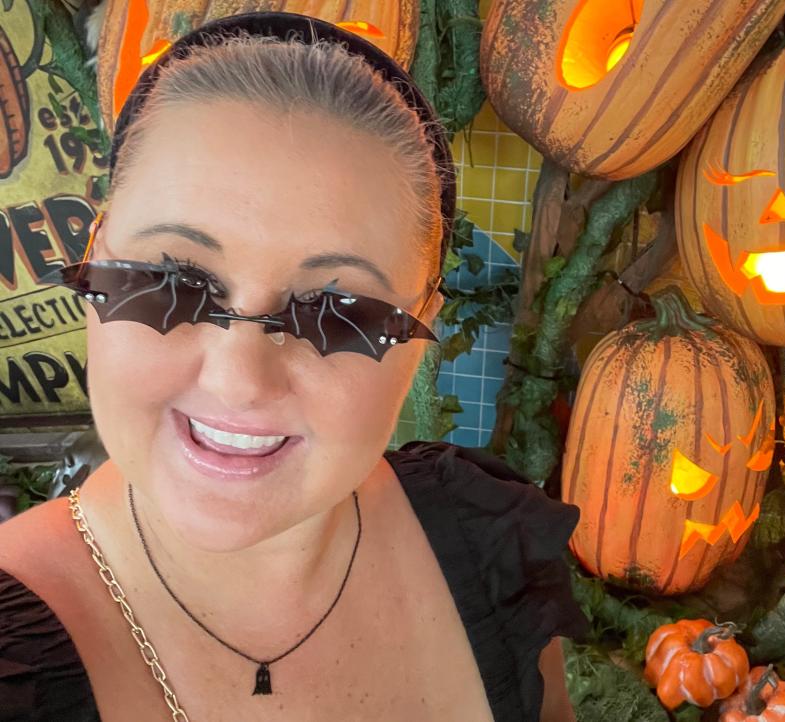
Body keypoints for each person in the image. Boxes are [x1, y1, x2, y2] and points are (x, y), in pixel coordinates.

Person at [0, 13, 588, 722]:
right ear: (98, 249)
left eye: (336, 309)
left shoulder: (491, 548)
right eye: (175, 279)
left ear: (419, 324)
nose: (238, 379)